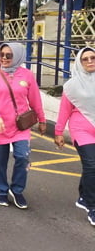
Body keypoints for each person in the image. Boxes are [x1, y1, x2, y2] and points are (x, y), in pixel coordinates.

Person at [0, 43, 46, 209]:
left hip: (20, 126)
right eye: (1, 54)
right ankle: (2, 190)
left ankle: (17, 190)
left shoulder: (28, 75)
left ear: (17, 56)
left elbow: (35, 100)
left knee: (23, 157)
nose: (3, 58)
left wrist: (42, 119)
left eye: (8, 55)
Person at [54, 47, 95, 226]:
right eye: (85, 59)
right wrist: (58, 132)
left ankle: (83, 196)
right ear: (79, 63)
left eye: (93, 57)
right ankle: (92, 207)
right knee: (92, 165)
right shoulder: (72, 86)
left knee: (91, 166)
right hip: (81, 130)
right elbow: (64, 110)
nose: (90, 61)